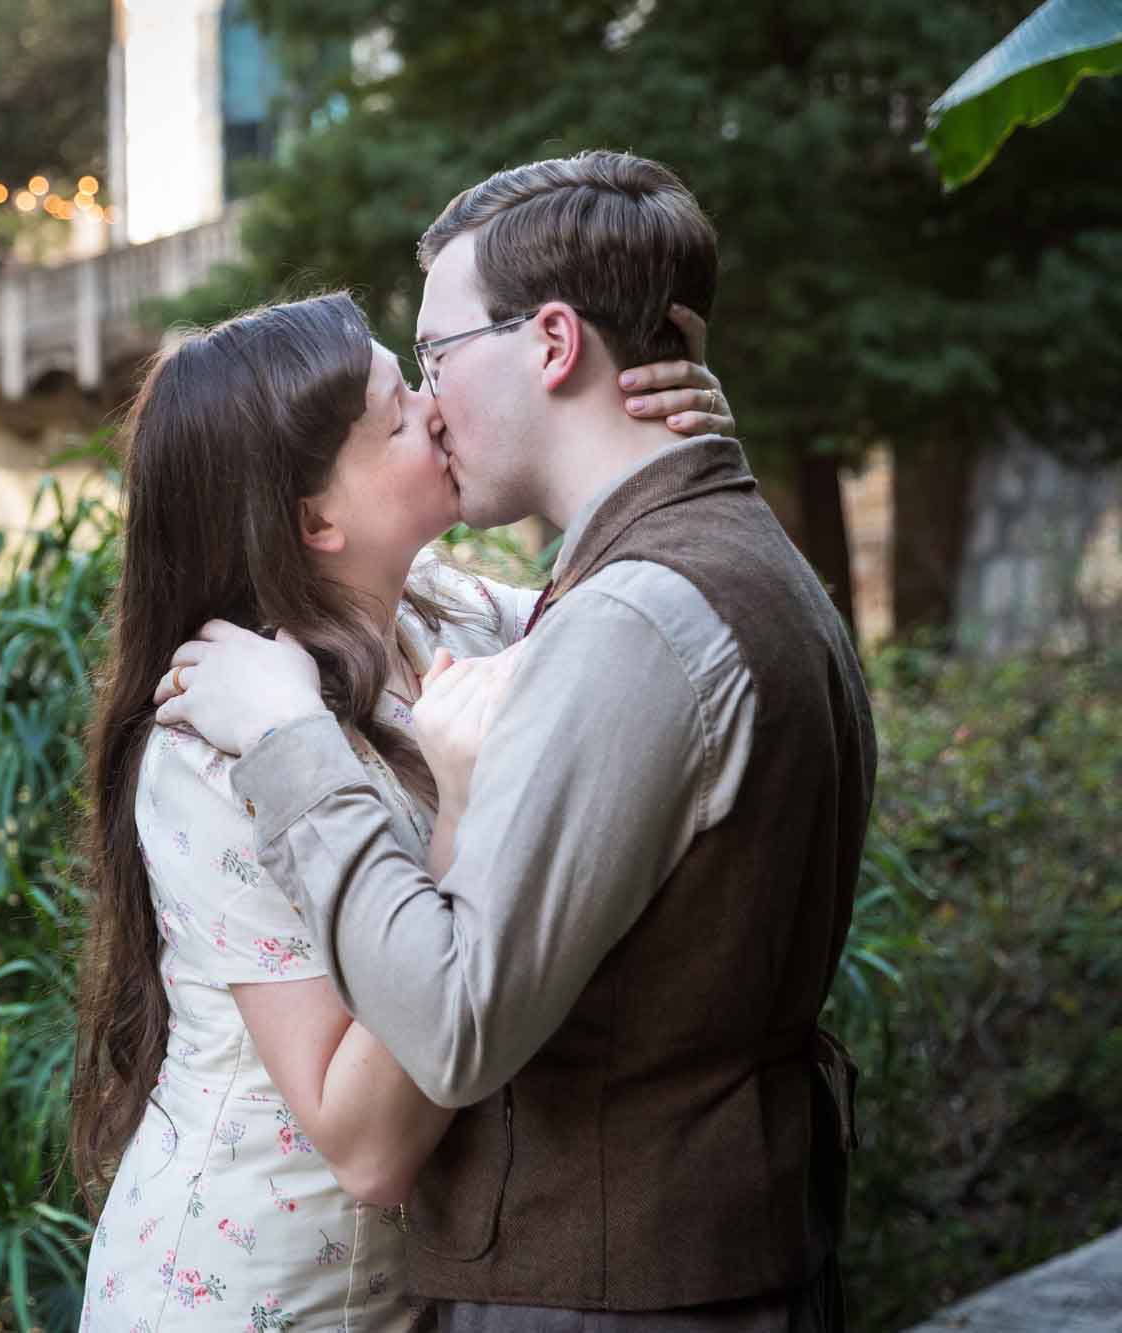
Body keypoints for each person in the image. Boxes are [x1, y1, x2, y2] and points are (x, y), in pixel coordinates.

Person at [155, 151, 874, 1332]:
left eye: (431, 358)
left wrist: (291, 738)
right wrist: (682, 433)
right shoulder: (657, 578)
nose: (431, 405)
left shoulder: (624, 619)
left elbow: (449, 1024)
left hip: (616, 1278)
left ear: (549, 342)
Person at [72, 283, 733, 1329]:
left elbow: (629, 618)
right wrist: (463, 820)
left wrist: (669, 443)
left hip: (418, 1285)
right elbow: (367, 1145)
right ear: (315, 519)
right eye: (397, 412)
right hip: (247, 1297)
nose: (438, 406)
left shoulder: (447, 614)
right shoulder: (211, 747)